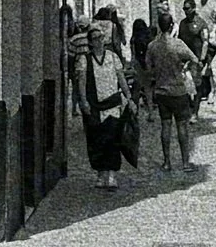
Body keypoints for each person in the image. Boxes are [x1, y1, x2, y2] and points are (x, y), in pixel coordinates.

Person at [79, 19, 133, 186]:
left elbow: (121, 78)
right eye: (94, 39)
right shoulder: (84, 60)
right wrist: (84, 102)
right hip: (94, 105)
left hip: (112, 103)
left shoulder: (112, 57)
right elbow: (81, 81)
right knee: (96, 139)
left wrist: (129, 97)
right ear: (90, 42)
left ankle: (111, 174)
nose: (98, 41)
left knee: (112, 138)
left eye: (100, 38)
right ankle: (100, 173)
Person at [144, 14, 200, 169]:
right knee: (182, 126)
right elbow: (195, 59)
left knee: (165, 125)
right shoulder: (178, 44)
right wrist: (185, 66)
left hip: (162, 90)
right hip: (178, 90)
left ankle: (167, 161)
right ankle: (185, 162)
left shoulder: (152, 46)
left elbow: (149, 70)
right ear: (171, 26)